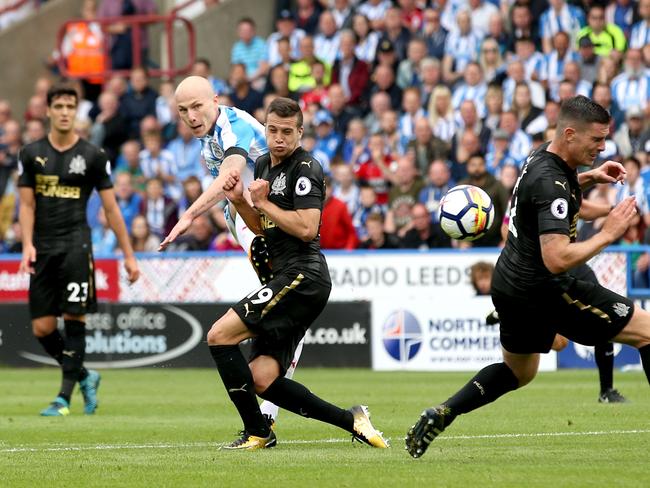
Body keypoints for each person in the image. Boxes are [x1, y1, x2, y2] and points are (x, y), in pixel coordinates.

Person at [405, 95, 650, 458]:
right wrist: (608, 234)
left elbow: (555, 194)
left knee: (518, 372)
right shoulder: (551, 181)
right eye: (596, 140)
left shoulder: (540, 156)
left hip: (509, 284)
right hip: (545, 288)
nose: (603, 147)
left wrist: (590, 177)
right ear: (570, 134)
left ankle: (443, 412)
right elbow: (557, 258)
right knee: (646, 332)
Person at [215, 96, 389, 450]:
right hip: (285, 277)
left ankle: (258, 431)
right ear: (265, 129)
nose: (279, 138)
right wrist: (238, 201)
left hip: (303, 275)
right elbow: (265, 228)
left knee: (219, 336)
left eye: (287, 132)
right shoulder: (263, 164)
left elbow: (308, 229)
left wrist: (262, 202)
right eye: (272, 130)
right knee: (262, 378)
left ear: (300, 132)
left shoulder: (307, 167)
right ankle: (351, 419)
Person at [159, 76, 303, 434]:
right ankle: (267, 405)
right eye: (182, 111)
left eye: (197, 107)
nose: (191, 116)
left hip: (271, 223)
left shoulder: (232, 126)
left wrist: (190, 214)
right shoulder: (209, 134)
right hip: (248, 221)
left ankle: (268, 409)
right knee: (276, 308)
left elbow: (230, 174)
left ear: (215, 100)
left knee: (282, 308)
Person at [18, 84, 140, 417]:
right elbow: (26, 206)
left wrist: (129, 255)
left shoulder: (93, 156)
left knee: (74, 318)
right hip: (42, 249)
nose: (64, 111)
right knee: (42, 328)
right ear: (48, 111)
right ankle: (86, 375)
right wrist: (27, 244)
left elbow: (112, 210)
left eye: (70, 106)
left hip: (75, 246)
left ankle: (63, 398)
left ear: (76, 111)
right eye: (58, 105)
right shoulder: (30, 154)